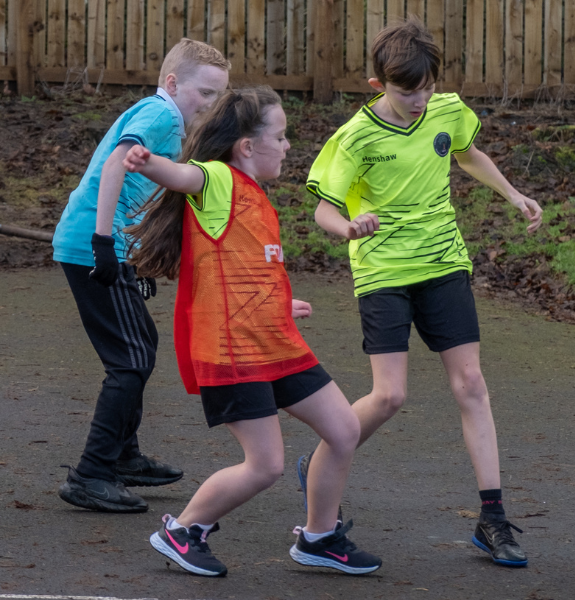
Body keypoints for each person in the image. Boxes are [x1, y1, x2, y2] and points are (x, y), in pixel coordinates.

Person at [305, 18, 542, 568]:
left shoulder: (447, 109)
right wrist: (348, 226)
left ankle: (493, 518)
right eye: (406, 91)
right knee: (389, 396)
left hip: (443, 262)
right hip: (383, 272)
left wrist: (512, 193)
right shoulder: (355, 137)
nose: (419, 99)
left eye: (426, 87)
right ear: (377, 85)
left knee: (472, 384)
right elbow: (323, 208)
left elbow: (467, 153)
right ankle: (322, 463)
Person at [122, 86, 381, 577]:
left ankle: (320, 537)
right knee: (265, 466)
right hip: (233, 352)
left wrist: (282, 302)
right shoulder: (219, 179)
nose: (287, 147)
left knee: (344, 428)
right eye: (280, 138)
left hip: (274, 342)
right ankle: (183, 531)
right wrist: (148, 162)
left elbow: (243, 268)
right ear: (246, 146)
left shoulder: (256, 197)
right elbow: (184, 175)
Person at [52, 39, 231, 513]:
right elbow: (116, 165)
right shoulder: (162, 116)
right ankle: (92, 473)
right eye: (207, 94)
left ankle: (123, 457)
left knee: (141, 345)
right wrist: (104, 246)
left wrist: (132, 258)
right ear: (173, 83)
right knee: (130, 359)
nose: (212, 106)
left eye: (220, 96)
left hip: (104, 243)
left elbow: (142, 188)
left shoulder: (161, 115)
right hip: (89, 244)